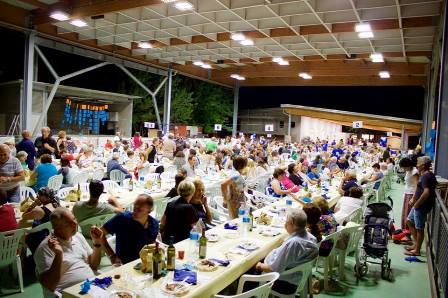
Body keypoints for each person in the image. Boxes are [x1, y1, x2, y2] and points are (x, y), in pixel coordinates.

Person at [34, 208, 103, 298]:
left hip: (91, 287)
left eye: (74, 219)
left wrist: (97, 244)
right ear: (57, 229)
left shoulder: (78, 236)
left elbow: (93, 265)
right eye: (69, 223)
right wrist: (59, 255)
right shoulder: (45, 248)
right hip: (67, 294)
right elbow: (50, 285)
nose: (75, 224)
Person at [255, 209, 318, 295]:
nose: (285, 225)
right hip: (297, 278)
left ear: (292, 223)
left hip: (284, 283)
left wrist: (259, 266)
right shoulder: (311, 237)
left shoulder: (294, 244)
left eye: (286, 222)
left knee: (247, 271)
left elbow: (273, 269)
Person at [101, 194, 159, 265]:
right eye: (134, 206)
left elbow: (151, 244)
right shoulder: (122, 219)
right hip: (124, 264)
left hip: (144, 263)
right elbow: (100, 233)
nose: (135, 210)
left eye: (139, 209)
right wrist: (112, 255)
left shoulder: (154, 224)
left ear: (149, 211)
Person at [405, 156, 437, 257]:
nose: (416, 165)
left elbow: (426, 192)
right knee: (409, 221)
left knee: (419, 228)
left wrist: (418, 203)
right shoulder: (424, 175)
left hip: (421, 206)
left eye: (418, 163)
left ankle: (417, 250)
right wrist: (414, 198)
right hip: (418, 204)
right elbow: (419, 188)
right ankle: (416, 244)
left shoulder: (427, 176)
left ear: (423, 166)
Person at [23, 188, 60, 254]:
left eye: (39, 195)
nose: (37, 197)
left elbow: (24, 216)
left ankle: (24, 259)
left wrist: (34, 204)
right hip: (53, 235)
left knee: (23, 233)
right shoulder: (57, 206)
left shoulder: (39, 210)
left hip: (40, 238)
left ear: (45, 198)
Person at [399, 157, 419, 229]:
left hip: (411, 194)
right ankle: (405, 229)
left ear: (408, 165)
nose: (403, 169)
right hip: (407, 193)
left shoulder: (414, 171)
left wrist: (414, 197)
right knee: (405, 211)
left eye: (404, 167)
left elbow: (417, 185)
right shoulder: (408, 170)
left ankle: (408, 230)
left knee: (408, 212)